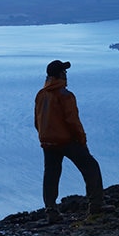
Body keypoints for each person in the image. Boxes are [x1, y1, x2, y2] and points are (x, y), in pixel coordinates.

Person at [34, 59, 105, 221]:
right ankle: (96, 207)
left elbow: (36, 121)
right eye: (64, 72)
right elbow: (73, 121)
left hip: (47, 142)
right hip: (66, 141)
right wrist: (82, 139)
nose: (66, 74)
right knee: (91, 167)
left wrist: (44, 136)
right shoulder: (65, 95)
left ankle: (51, 211)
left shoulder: (41, 95)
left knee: (51, 174)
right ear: (60, 74)